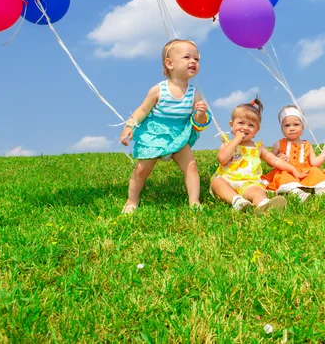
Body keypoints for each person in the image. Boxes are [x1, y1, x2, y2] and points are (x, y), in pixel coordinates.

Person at [119, 39, 212, 214]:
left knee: (191, 166)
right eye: (187, 57)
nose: (193, 61)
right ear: (170, 63)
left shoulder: (194, 94)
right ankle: (131, 201)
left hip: (178, 137)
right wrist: (129, 127)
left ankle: (194, 202)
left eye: (197, 59)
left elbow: (198, 124)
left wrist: (200, 114)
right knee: (141, 170)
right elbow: (143, 110)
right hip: (155, 135)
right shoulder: (158, 90)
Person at [210, 98, 306, 215]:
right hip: (228, 181)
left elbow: (274, 160)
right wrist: (235, 141)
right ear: (231, 125)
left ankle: (263, 204)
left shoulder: (258, 147)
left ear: (257, 130)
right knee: (217, 182)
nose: (245, 128)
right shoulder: (227, 144)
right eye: (241, 123)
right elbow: (222, 159)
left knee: (258, 191)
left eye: (251, 125)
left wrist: (292, 169)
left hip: (249, 184)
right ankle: (237, 201)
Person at [263, 105, 325, 201]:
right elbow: (270, 161)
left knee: (314, 171)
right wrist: (277, 158)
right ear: (281, 128)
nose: (292, 128)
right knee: (283, 175)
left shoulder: (307, 145)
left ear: (303, 126)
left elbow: (314, 163)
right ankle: (296, 192)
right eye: (287, 125)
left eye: (296, 124)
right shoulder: (278, 144)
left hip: (304, 172)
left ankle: (322, 188)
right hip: (287, 172)